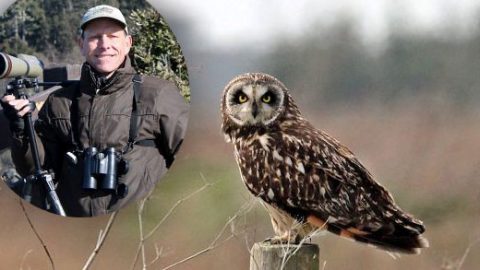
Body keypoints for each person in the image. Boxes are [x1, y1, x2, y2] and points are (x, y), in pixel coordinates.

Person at [0, 5, 189, 217]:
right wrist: (21, 129)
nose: (104, 44)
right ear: (81, 44)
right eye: (95, 37)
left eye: (112, 36)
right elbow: (36, 168)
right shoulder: (59, 101)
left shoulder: (157, 94)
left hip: (140, 228)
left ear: (128, 44)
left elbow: (190, 163)